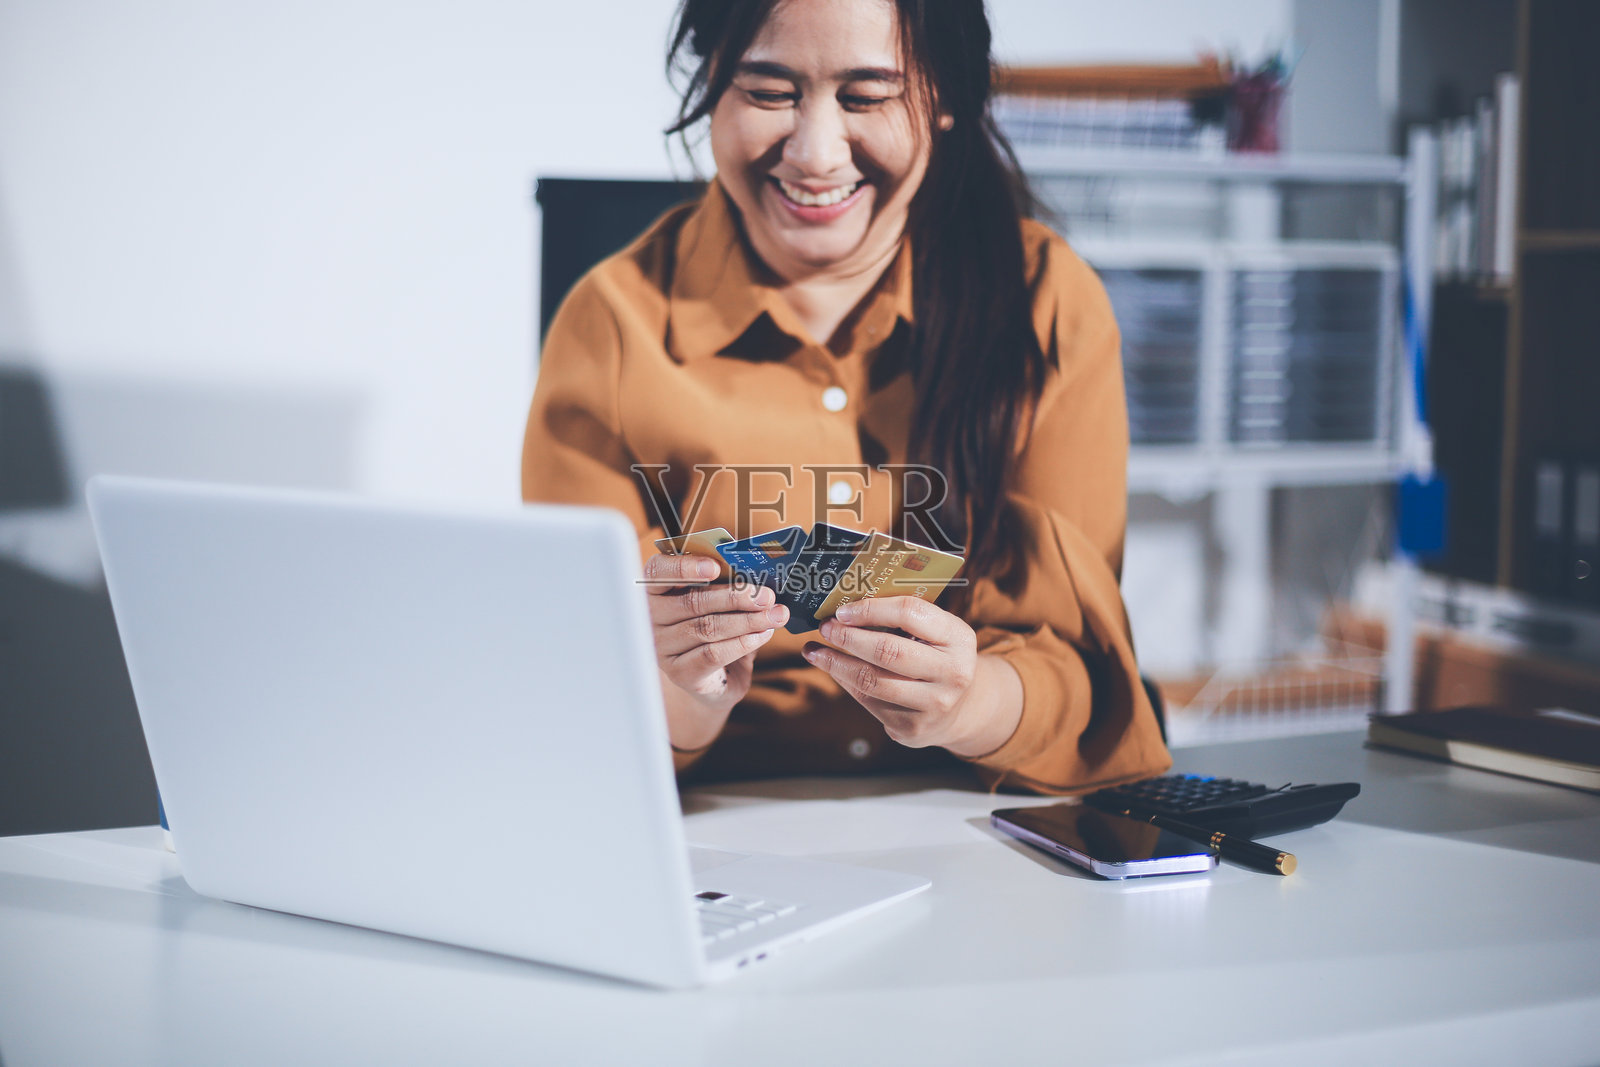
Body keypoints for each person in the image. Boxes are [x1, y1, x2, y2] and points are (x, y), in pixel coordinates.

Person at [522, 0, 1170, 793]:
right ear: (712, 86)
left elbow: (1078, 660)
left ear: (945, 97)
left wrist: (970, 703)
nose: (815, 154)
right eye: (768, 92)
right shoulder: (610, 323)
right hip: (708, 819)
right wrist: (689, 695)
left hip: (970, 814)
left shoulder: (1046, 301)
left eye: (867, 97)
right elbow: (581, 681)